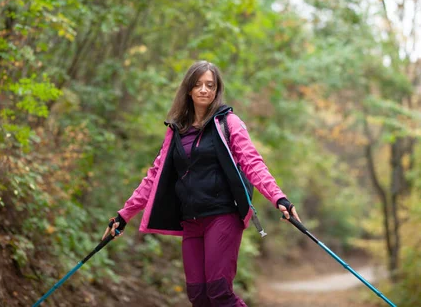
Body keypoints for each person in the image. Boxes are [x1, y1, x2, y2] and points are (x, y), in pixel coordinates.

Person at [103, 61, 301, 307]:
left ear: (217, 90)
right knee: (198, 296)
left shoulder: (228, 123)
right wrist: (124, 215)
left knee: (219, 293)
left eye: (210, 85)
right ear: (188, 89)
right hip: (191, 220)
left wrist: (279, 198)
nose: (204, 90)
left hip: (223, 215)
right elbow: (153, 177)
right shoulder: (177, 130)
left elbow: (253, 164)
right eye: (198, 85)